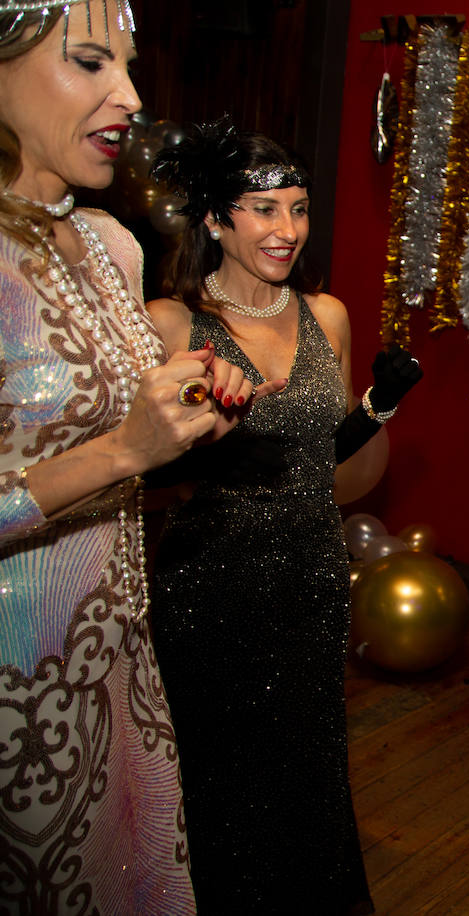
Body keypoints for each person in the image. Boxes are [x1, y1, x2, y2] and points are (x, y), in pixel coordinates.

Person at [0, 3, 260, 911]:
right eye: (88, 61)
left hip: (117, 663)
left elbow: (122, 414)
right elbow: (109, 447)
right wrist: (122, 451)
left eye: (130, 65)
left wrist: (193, 402)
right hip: (12, 698)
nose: (132, 96)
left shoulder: (112, 244)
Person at [142, 119, 420, 914]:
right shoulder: (169, 322)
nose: (288, 230)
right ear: (216, 220)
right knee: (215, 777)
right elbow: (136, 472)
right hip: (207, 587)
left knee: (307, 773)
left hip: (309, 581)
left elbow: (347, 478)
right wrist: (206, 457)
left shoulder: (326, 315)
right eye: (265, 210)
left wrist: (380, 406)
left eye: (299, 209)